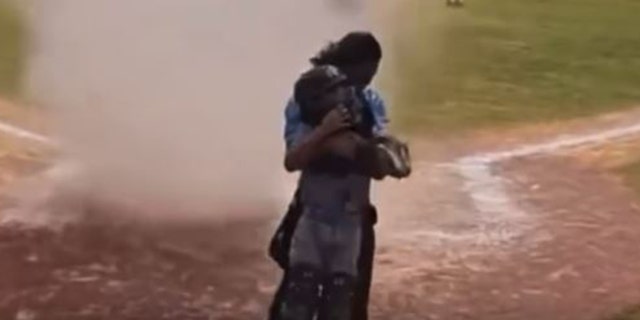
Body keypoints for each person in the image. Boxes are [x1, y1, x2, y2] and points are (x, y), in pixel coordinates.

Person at [269, 32, 390, 320]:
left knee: (346, 306)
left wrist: (360, 149)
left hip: (354, 219)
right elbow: (293, 160)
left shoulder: (371, 102)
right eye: (365, 72)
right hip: (312, 214)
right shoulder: (307, 98)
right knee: (297, 299)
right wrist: (327, 135)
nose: (366, 81)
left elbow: (383, 165)